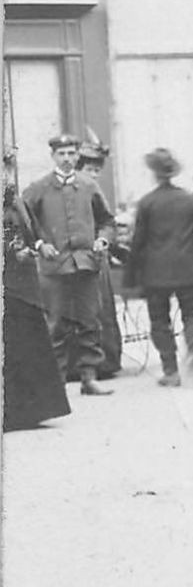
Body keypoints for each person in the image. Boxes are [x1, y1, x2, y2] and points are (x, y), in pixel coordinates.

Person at [20, 133, 116, 396]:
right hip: (54, 267)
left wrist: (103, 240)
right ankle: (56, 384)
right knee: (56, 324)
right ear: (53, 156)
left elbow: (107, 220)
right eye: (61, 154)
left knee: (89, 321)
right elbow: (21, 221)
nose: (67, 159)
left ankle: (89, 377)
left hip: (86, 264)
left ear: (77, 156)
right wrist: (40, 245)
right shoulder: (38, 187)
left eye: (71, 154)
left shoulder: (88, 185)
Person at [126, 148, 193, 388]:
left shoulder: (147, 202)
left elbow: (138, 241)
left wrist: (130, 275)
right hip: (189, 267)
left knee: (159, 320)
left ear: (154, 174)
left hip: (155, 271)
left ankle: (170, 370)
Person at [3, 146, 71, 429]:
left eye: (9, 169)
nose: (7, 175)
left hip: (26, 284)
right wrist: (12, 253)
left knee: (30, 345)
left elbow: (33, 229)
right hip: (8, 287)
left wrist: (40, 245)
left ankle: (33, 410)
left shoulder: (17, 200)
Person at [75, 138, 124, 379]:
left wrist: (104, 240)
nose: (93, 175)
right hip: (69, 259)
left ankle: (105, 362)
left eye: (97, 170)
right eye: (88, 169)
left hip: (95, 257)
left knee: (101, 309)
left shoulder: (95, 192)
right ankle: (78, 366)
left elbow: (107, 221)